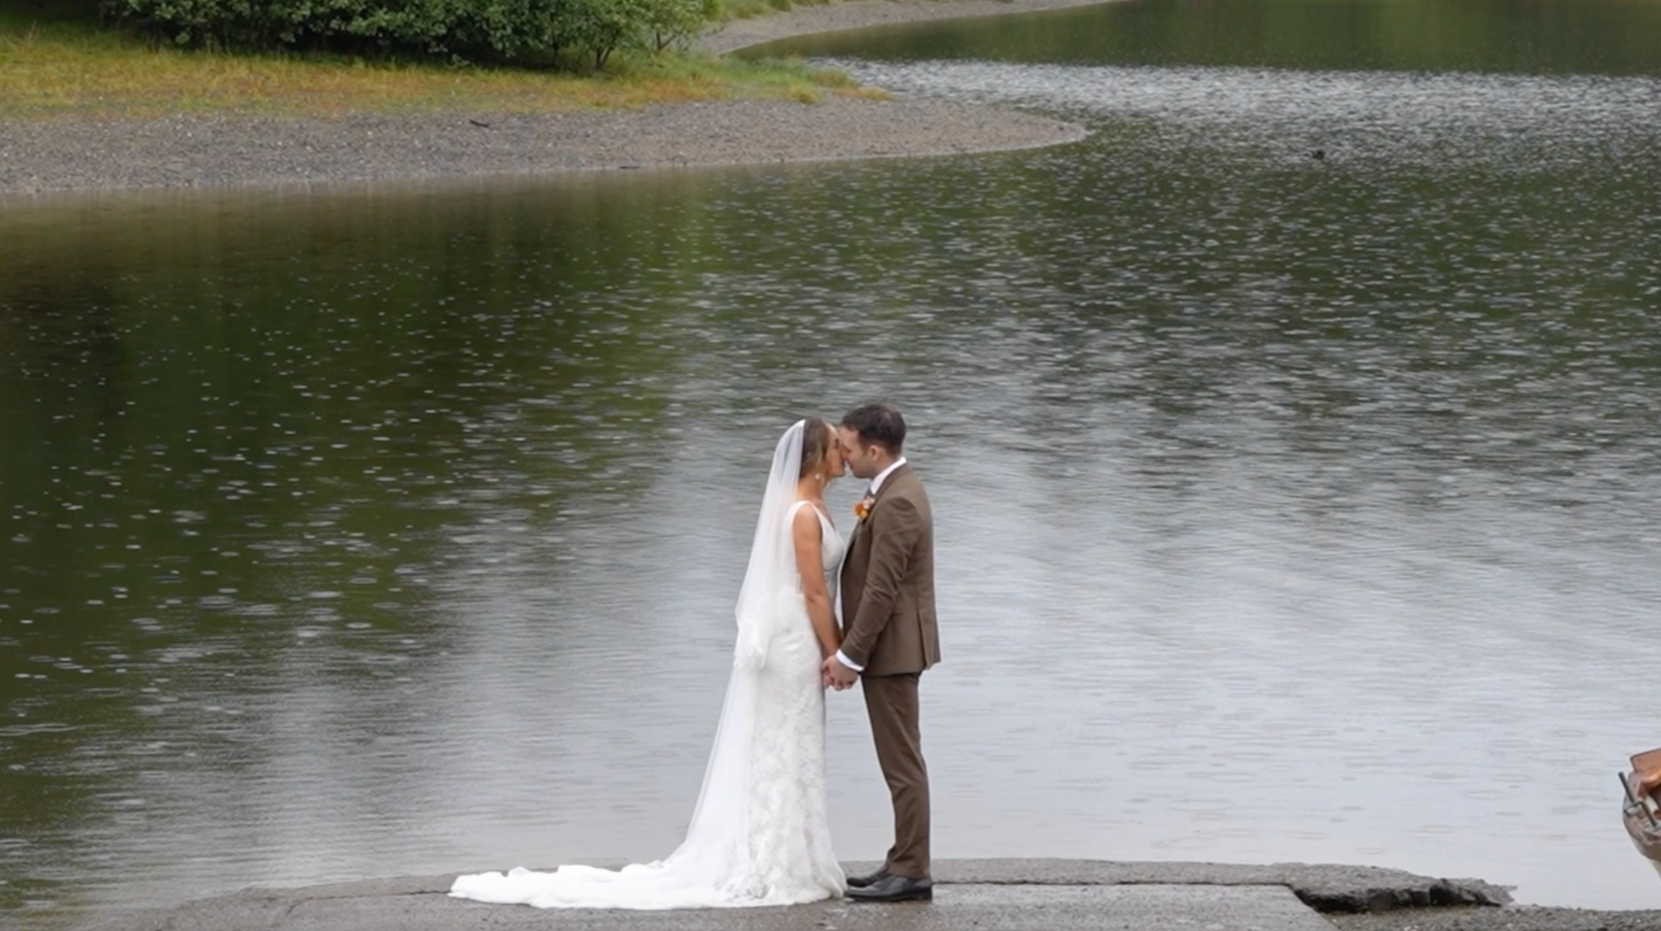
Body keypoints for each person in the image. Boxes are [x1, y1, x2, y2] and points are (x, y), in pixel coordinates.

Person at [449, 419, 848, 909]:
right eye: (834, 446)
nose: (844, 452)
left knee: (797, 741)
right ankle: (771, 858)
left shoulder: (815, 505)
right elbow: (813, 590)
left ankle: (797, 853)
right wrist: (836, 651)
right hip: (793, 639)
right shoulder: (802, 514)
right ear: (813, 456)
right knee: (784, 742)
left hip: (798, 632)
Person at [822, 403, 940, 904]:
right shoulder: (890, 491)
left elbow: (881, 590)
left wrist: (850, 654)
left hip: (892, 649)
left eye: (848, 448)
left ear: (874, 449)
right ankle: (900, 860)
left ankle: (911, 870)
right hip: (889, 647)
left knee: (901, 763)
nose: (843, 458)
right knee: (898, 760)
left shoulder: (899, 502)